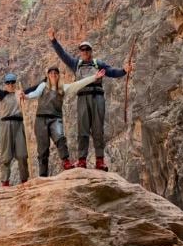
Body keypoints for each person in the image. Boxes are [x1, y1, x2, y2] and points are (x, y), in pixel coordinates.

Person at [49, 29, 133, 170]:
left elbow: (112, 72)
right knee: (82, 130)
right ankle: (82, 160)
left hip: (97, 98)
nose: (85, 51)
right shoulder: (76, 64)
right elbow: (62, 55)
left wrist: (124, 70)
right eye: (82, 49)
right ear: (80, 51)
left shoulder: (98, 63)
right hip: (82, 99)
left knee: (98, 129)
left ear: (91, 50)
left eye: (87, 49)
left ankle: (100, 161)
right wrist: (53, 40)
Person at [27, 65, 106, 176]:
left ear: (58, 75)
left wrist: (94, 77)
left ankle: (66, 162)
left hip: (55, 118)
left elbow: (78, 84)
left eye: (55, 73)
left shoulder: (63, 88)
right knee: (43, 149)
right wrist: (25, 96)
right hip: (41, 119)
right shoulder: (43, 85)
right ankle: (43, 175)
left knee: (60, 138)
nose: (53, 75)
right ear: (48, 75)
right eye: (51, 73)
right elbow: (35, 94)